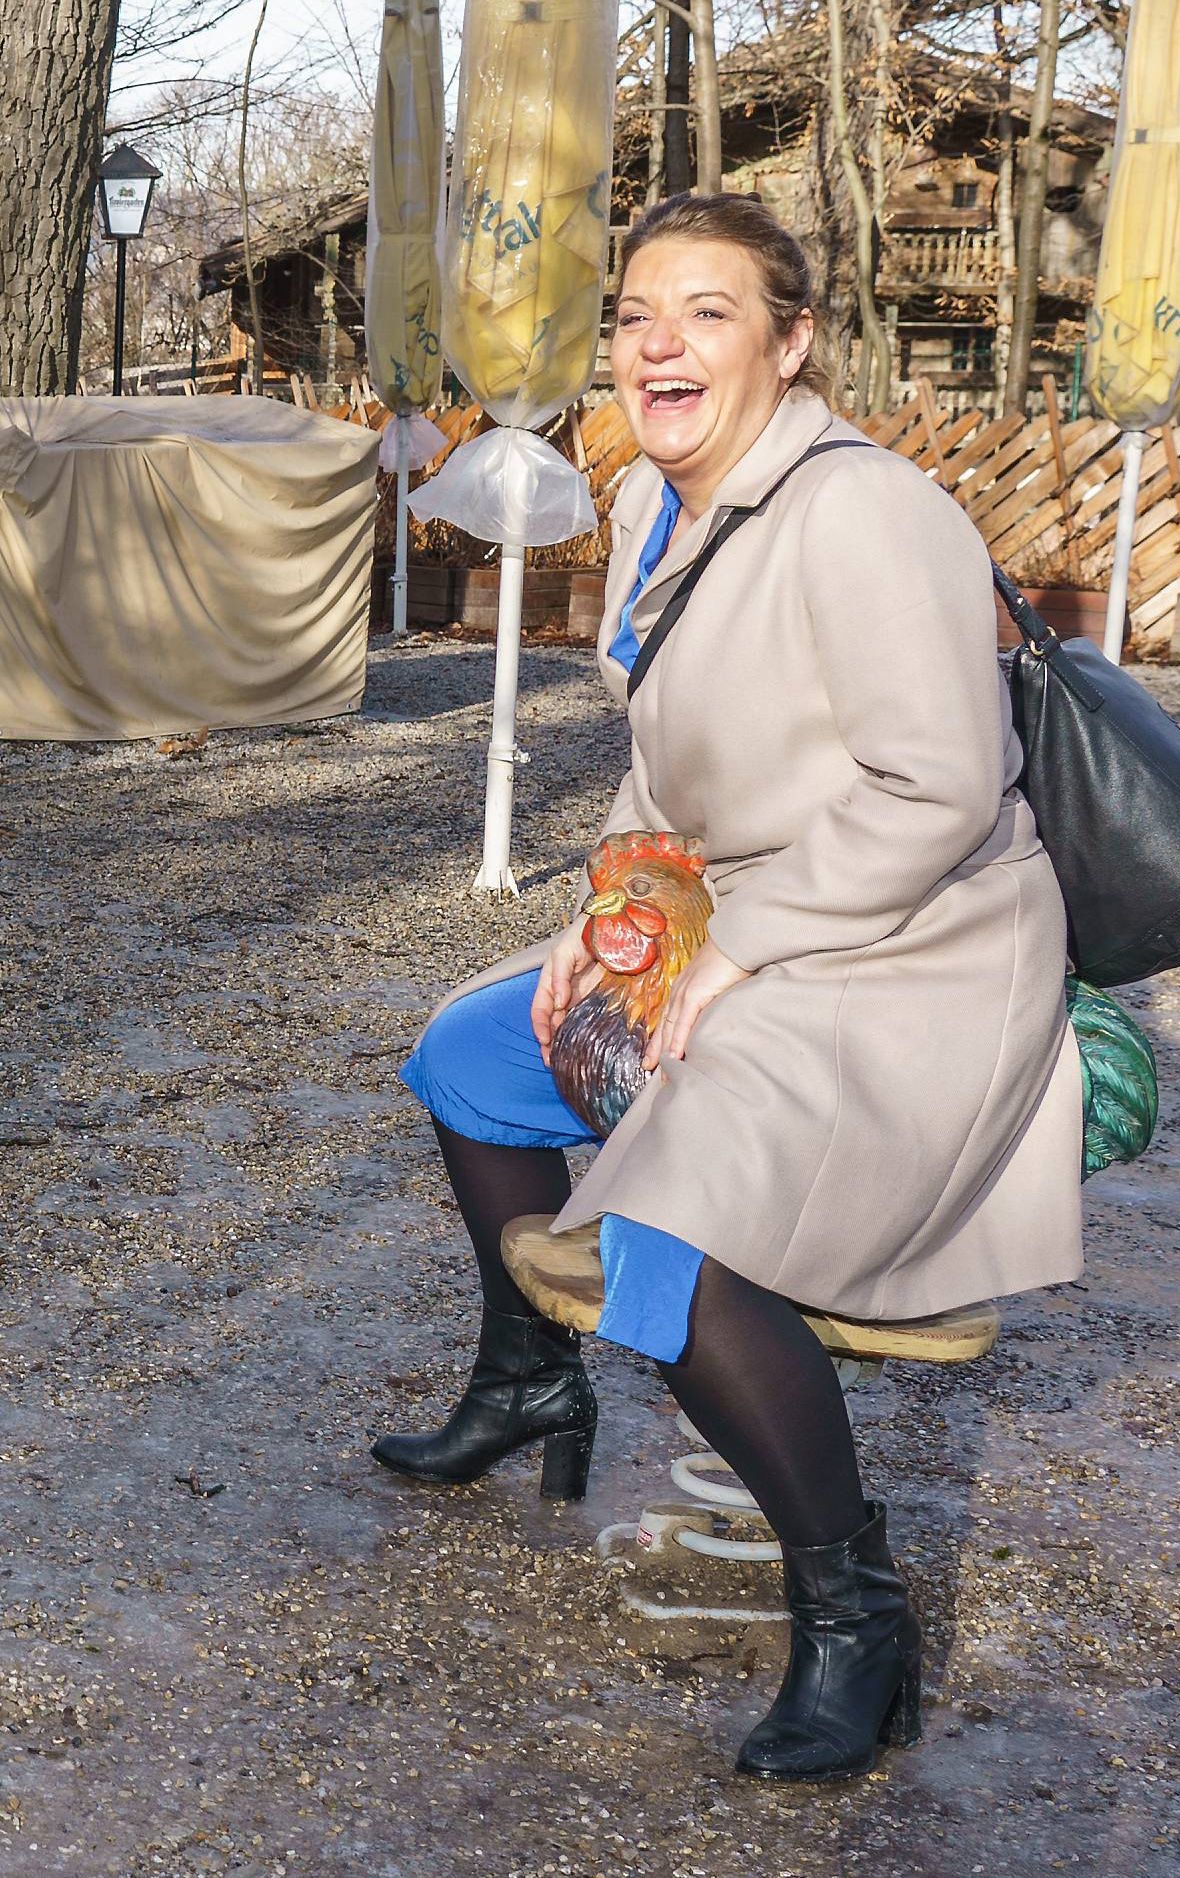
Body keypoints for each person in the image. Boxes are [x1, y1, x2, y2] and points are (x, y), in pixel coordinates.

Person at [373, 195, 1087, 1782]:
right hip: (743, 913)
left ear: (791, 340)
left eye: (708, 312)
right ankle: (529, 1377)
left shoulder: (866, 511)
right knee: (477, 1056)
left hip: (918, 950)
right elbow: (668, 769)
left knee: (668, 1216)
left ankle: (853, 1604)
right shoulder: (657, 508)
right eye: (635, 314)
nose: (660, 343)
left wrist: (738, 952)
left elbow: (941, 788)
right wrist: (612, 913)